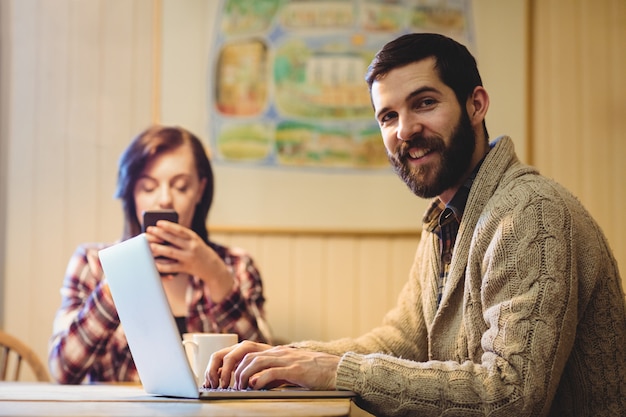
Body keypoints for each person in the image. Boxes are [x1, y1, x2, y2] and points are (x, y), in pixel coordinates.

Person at [204, 33, 626, 416]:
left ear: (476, 104)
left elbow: (511, 395)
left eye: (424, 103)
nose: (405, 130)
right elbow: (403, 342)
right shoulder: (449, 217)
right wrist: (287, 358)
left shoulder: (529, 212)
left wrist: (336, 371)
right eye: (388, 116)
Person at [49, 125, 272, 384]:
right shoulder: (93, 263)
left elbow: (262, 371)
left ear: (200, 191)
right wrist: (117, 282)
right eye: (148, 187)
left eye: (180, 186)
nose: (164, 199)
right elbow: (63, 371)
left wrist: (217, 276)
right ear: (131, 193)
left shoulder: (236, 266)